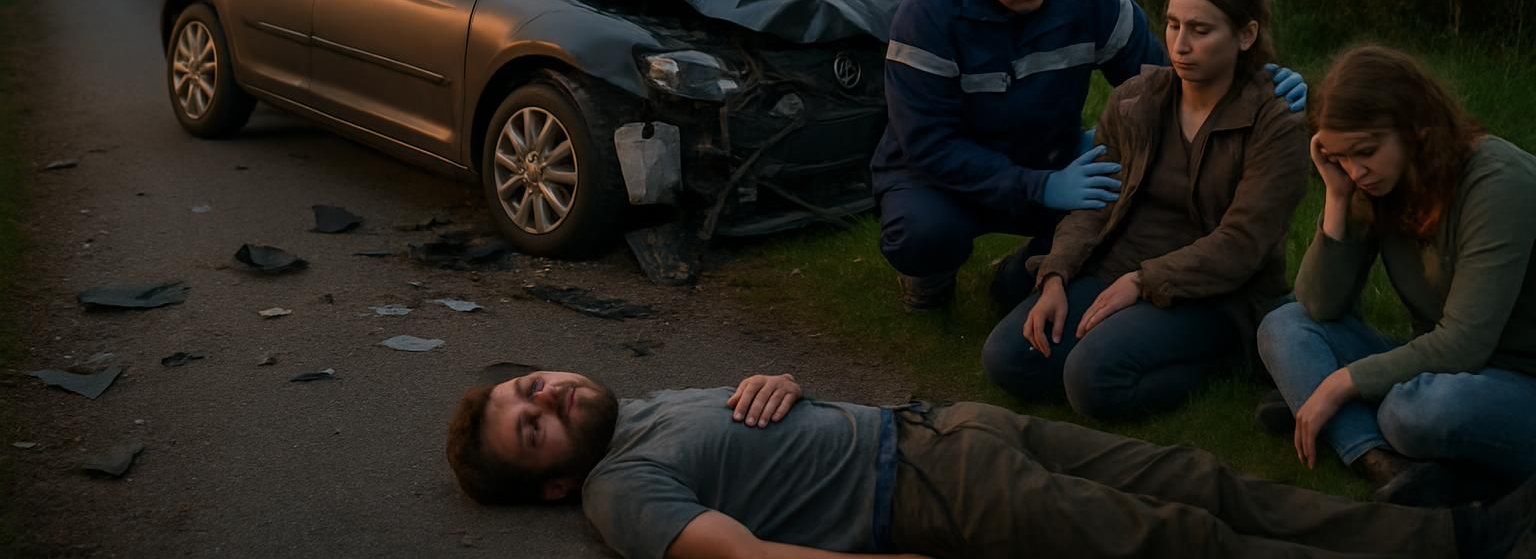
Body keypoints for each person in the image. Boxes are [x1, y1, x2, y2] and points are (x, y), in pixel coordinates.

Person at [444, 367, 1536, 558]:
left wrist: (782, 380)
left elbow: (761, 438)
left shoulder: (639, 409)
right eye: (530, 426)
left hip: (947, 424)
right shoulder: (616, 489)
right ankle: (1455, 544)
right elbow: (741, 553)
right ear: (549, 478)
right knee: (1183, 541)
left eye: (526, 388)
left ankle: (1445, 533)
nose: (544, 399)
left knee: (1199, 481)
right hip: (933, 493)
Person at [870, 0, 1308, 311]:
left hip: (1048, 156)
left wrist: (1254, 78)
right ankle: (929, 276)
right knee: (923, 234)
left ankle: (1028, 268)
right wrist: (1038, 186)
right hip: (941, 176)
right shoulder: (924, 18)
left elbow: (1165, 84)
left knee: (1118, 196)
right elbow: (929, 144)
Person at [981, 0, 1309, 419]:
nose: (1180, 44)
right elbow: (1095, 201)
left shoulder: (1274, 122)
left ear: (1245, 35)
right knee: (1008, 359)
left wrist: (1142, 282)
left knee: (1093, 381)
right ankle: (1107, 346)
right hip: (1116, 266)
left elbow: (1242, 243)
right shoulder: (1138, 98)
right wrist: (1057, 275)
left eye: (1200, 30)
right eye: (1173, 25)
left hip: (1212, 292)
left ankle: (1230, 356)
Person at [1256, 44, 1536, 507]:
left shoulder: (1498, 184)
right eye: (1339, 156)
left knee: (1415, 410)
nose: (1355, 169)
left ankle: (1335, 416)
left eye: (1365, 151)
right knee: (1283, 325)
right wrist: (1338, 198)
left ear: (1417, 129)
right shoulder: (1372, 182)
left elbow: (1464, 344)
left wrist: (1340, 383)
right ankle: (1383, 462)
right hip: (1439, 369)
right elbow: (1320, 305)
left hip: (1514, 378)